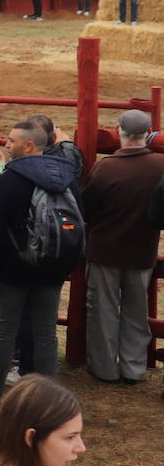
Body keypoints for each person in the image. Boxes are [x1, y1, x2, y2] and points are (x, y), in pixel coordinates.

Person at [0, 122, 80, 415]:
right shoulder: (67, 176)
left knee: (4, 332)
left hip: (13, 269)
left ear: (29, 146)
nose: (7, 144)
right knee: (47, 332)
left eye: (11, 141)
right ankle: (48, 399)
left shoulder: (10, 179)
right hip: (53, 267)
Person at [81, 110, 164, 384]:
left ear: (119, 132)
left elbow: (87, 207)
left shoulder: (106, 167)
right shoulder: (160, 165)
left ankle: (104, 368)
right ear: (147, 133)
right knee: (136, 312)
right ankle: (134, 368)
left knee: (103, 311)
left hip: (105, 250)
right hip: (142, 252)